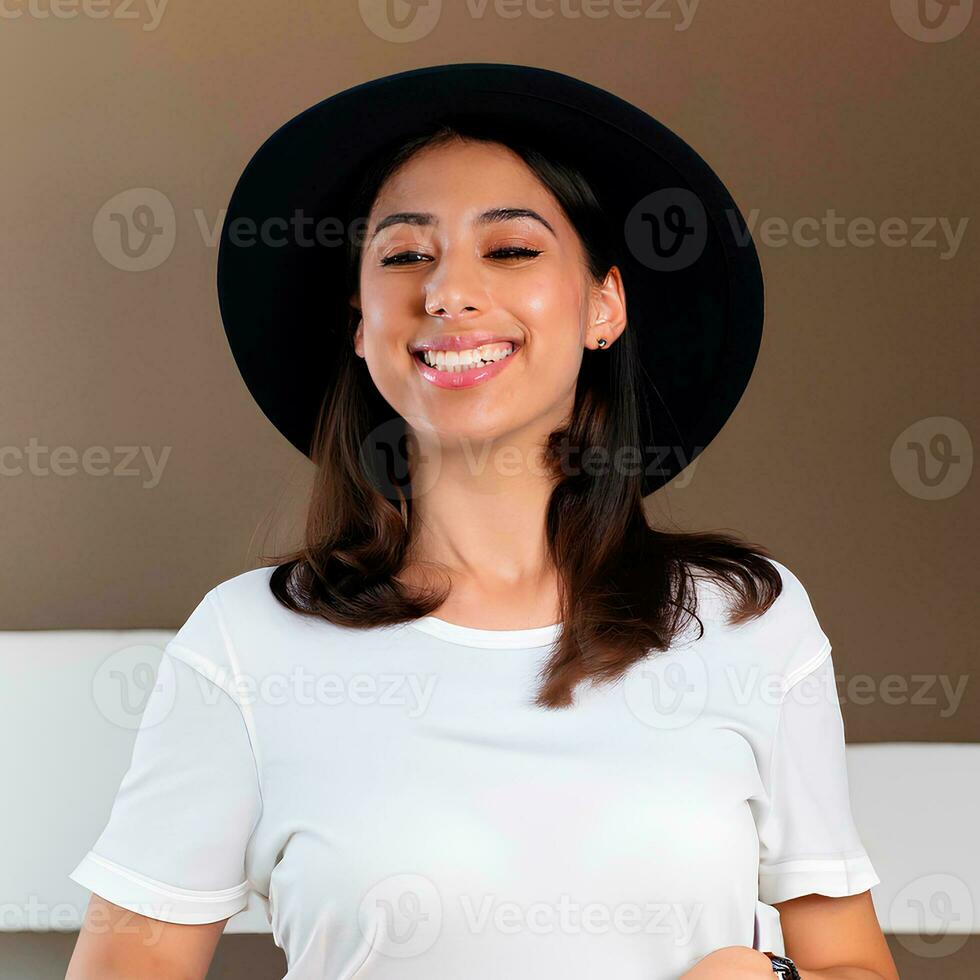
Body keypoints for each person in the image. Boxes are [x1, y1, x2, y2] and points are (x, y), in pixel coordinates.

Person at [65, 64, 899, 980]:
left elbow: (852, 964)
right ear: (359, 323)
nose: (449, 291)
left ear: (604, 306)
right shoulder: (245, 643)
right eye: (403, 255)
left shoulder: (749, 621)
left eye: (509, 250)